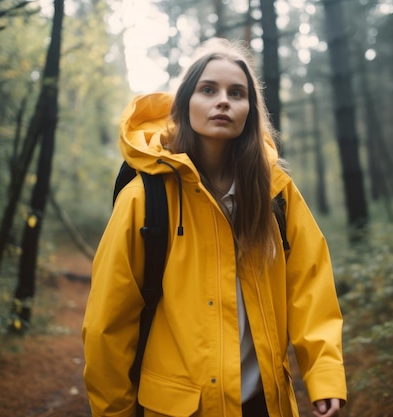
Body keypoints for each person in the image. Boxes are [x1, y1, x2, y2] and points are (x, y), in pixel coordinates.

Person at [82, 38, 347, 417]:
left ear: (249, 112)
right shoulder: (145, 198)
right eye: (208, 90)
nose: (223, 100)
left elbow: (310, 285)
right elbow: (107, 324)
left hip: (264, 405)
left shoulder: (276, 192)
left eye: (237, 93)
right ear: (185, 103)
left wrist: (323, 373)